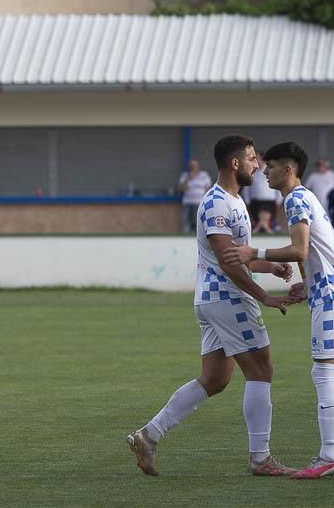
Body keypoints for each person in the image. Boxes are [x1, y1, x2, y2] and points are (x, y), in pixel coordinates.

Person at [223, 141, 334, 479]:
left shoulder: (295, 198)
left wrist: (253, 252)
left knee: (323, 372)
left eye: (271, 166)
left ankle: (328, 457)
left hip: (332, 297)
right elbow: (314, 250)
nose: (265, 171)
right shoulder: (303, 197)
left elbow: (300, 249)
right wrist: (307, 285)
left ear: (288, 169)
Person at [126, 135, 297, 477]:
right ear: (235, 163)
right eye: (251, 158)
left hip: (213, 299)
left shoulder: (232, 201)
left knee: (216, 379)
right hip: (227, 298)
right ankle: (260, 458)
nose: (257, 164)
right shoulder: (217, 203)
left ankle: (149, 435)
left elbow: (241, 257)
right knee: (261, 370)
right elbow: (229, 262)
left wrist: (271, 266)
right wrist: (263, 296)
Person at [177, 159, 213, 234]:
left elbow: (208, 187)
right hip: (187, 201)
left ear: (198, 166)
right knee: (187, 219)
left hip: (199, 201)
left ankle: (198, 234)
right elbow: (180, 189)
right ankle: (186, 233)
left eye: (194, 166)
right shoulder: (185, 175)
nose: (193, 167)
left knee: (198, 219)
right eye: (191, 166)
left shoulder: (204, 175)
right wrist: (188, 178)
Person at [245, 165, 281, 230]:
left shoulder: (272, 172)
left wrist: (279, 201)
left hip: (270, 202)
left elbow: (278, 186)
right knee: (255, 221)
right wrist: (247, 202)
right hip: (255, 202)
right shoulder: (252, 172)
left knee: (271, 223)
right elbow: (246, 189)